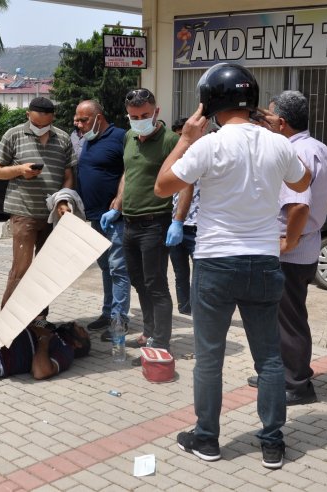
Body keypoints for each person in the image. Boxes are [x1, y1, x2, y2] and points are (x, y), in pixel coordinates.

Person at [154, 64, 311, 469]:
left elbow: (163, 185)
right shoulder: (280, 144)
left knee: (210, 358)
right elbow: (301, 181)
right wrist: (273, 139)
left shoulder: (209, 144)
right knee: (270, 359)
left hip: (215, 262)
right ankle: (272, 443)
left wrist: (185, 139)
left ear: (208, 103)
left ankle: (207, 438)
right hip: (263, 261)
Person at [245, 91, 327, 406]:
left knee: (289, 320)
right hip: (306, 245)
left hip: (290, 251)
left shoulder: (289, 153)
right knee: (284, 316)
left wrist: (289, 241)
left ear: (281, 122)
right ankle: (280, 372)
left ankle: (296, 384)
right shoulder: (319, 148)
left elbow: (298, 206)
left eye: (271, 117)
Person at [100, 88, 187, 361]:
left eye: (145, 115)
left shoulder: (170, 141)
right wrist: (118, 204)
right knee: (138, 280)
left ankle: (161, 341)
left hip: (155, 223)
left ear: (156, 112)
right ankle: (149, 331)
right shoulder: (129, 136)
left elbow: (186, 182)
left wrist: (178, 221)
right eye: (134, 116)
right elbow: (129, 171)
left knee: (156, 284)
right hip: (130, 223)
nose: (139, 120)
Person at [0, 97, 75, 316]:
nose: (40, 128)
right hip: (24, 213)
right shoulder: (13, 134)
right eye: (36, 124)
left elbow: (68, 175)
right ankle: (8, 323)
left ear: (52, 118)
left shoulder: (63, 139)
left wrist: (63, 200)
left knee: (43, 271)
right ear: (28, 115)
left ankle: (38, 320)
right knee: (21, 269)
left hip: (51, 216)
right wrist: (20, 170)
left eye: (45, 124)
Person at [73, 100, 131, 336]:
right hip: (97, 218)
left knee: (118, 269)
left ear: (99, 117)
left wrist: (118, 202)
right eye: (76, 119)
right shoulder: (88, 140)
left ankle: (119, 320)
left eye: (83, 120)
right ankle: (108, 313)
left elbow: (130, 171)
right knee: (106, 267)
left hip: (117, 217)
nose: (78, 124)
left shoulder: (120, 137)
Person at [169, 117, 198, 315]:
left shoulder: (202, 158)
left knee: (200, 275)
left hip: (198, 228)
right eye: (179, 136)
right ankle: (184, 309)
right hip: (175, 227)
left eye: (185, 136)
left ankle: (198, 309)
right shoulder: (173, 164)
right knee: (180, 273)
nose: (182, 141)